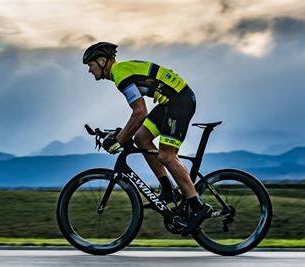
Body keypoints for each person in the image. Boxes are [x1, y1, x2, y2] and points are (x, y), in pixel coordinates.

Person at [83, 42, 212, 235]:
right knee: (141, 138)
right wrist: (120, 135)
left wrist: (118, 140)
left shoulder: (120, 74)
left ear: (102, 61)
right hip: (171, 101)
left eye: (90, 65)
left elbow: (140, 112)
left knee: (167, 156)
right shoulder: (122, 71)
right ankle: (168, 190)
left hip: (179, 101)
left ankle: (198, 207)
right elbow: (138, 117)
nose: (89, 70)